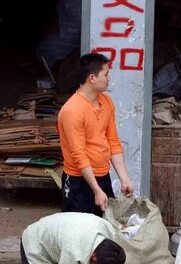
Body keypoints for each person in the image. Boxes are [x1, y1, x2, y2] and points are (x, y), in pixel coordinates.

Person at [57, 52, 134, 217]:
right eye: (106, 74)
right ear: (92, 78)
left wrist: (124, 178)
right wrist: (96, 190)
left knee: (103, 231)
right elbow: (79, 155)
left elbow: (113, 142)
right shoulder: (73, 110)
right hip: (79, 181)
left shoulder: (106, 102)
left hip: (102, 177)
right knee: (78, 232)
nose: (109, 78)